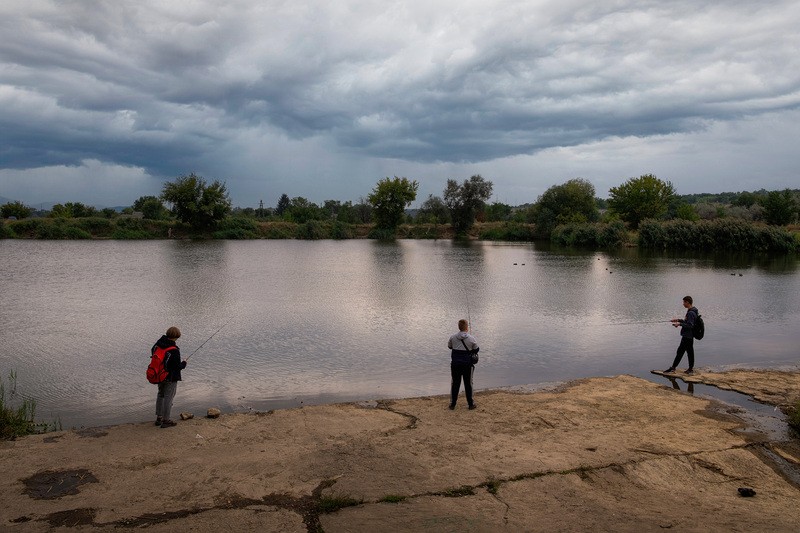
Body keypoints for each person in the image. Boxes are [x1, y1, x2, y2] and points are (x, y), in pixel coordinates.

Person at [153, 326, 187, 428]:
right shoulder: (174, 350)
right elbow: (177, 367)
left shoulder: (157, 345)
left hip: (159, 375)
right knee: (168, 398)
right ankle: (166, 420)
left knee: (160, 395)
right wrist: (184, 363)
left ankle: (159, 418)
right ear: (177, 336)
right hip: (170, 378)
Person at [447, 319, 479, 410]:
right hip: (467, 365)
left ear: (459, 327)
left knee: (455, 384)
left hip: (455, 364)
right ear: (467, 328)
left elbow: (449, 346)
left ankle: (452, 404)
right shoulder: (471, 338)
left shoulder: (452, 337)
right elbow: (476, 349)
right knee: (468, 384)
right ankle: (471, 404)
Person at [664, 296, 698, 374]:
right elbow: (687, 322)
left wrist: (679, 324)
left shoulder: (691, 312)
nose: (683, 304)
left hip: (687, 336)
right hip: (688, 336)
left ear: (688, 302)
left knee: (682, 352)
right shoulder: (692, 311)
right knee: (687, 352)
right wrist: (678, 320)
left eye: (684, 302)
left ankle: (675, 368)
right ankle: (688, 368)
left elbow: (690, 325)